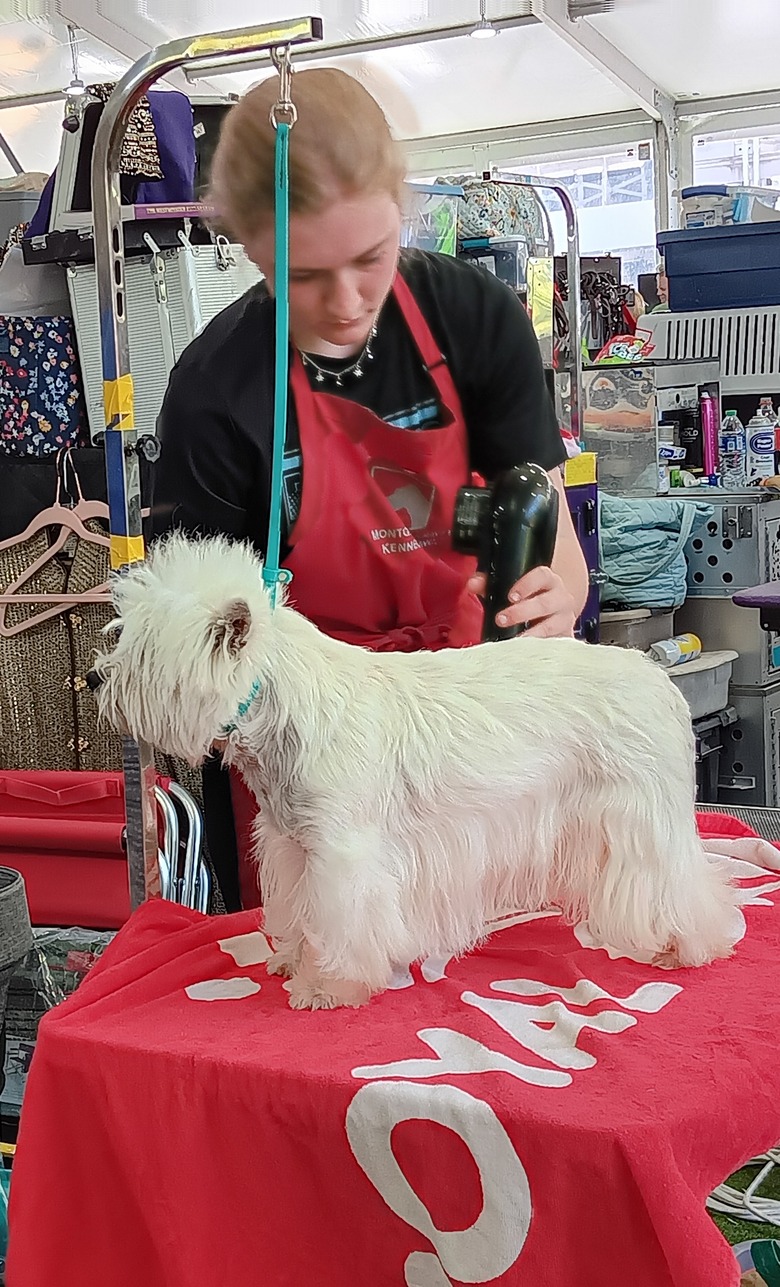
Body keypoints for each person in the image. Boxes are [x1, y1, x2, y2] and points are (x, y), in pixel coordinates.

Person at [151, 68, 589, 910]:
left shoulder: (478, 318)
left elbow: (553, 543)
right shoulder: (214, 390)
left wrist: (555, 596)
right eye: (305, 275)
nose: (348, 302)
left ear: (401, 210)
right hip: (311, 785)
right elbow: (195, 653)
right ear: (249, 244)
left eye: (371, 258)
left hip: (473, 749)